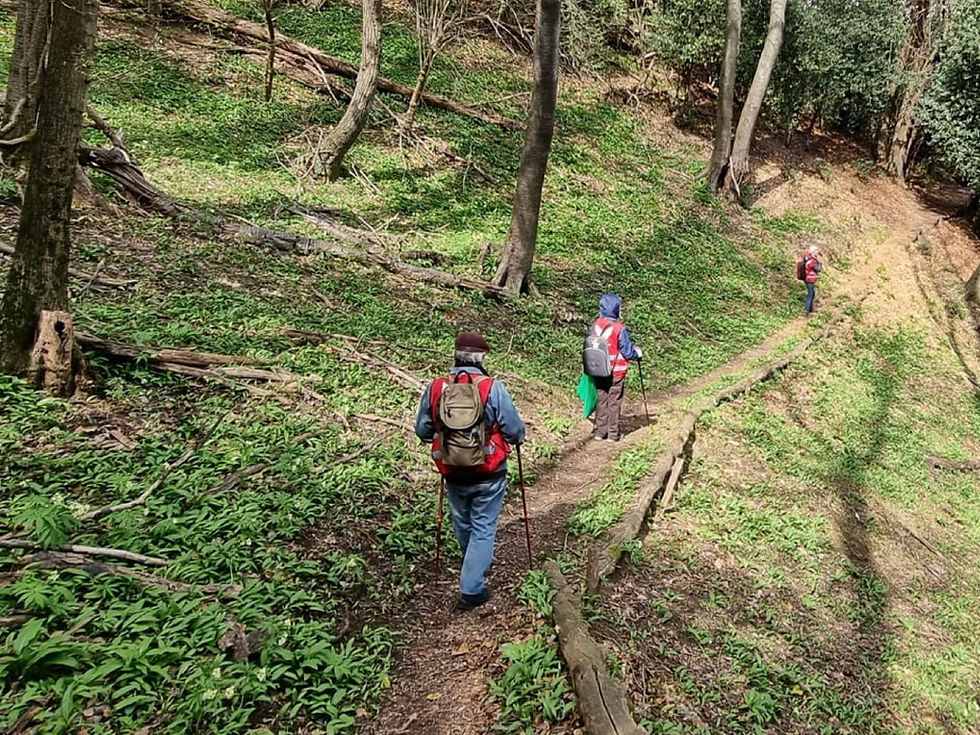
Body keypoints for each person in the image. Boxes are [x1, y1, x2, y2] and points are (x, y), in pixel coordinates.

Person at [415, 331, 526, 611]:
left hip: (451, 467)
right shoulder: (492, 387)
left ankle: (471, 564)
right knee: (483, 527)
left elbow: (423, 429)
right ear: (481, 358)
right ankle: (472, 588)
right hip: (489, 469)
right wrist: (515, 438)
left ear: (456, 355)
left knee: (463, 522)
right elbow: (514, 430)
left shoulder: (437, 387)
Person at [589, 293, 642, 442]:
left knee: (601, 399)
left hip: (599, 370)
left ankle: (600, 432)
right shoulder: (619, 328)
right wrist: (637, 353)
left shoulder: (595, 325)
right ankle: (613, 434)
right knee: (614, 401)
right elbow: (627, 351)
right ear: (617, 309)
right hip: (616, 371)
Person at [803, 244, 823, 316]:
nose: (817, 252)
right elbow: (818, 269)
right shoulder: (812, 261)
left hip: (807, 278)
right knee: (810, 294)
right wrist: (819, 262)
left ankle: (810, 309)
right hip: (810, 279)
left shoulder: (806, 257)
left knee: (812, 293)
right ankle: (807, 310)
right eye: (816, 251)